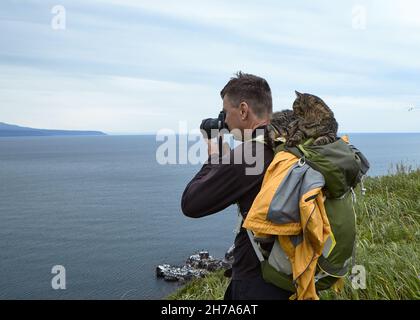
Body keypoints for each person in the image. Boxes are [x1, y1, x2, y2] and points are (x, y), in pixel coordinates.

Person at [181, 72, 293, 300]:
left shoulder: (251, 155)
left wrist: (213, 152)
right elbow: (240, 180)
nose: (224, 119)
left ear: (243, 110)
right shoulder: (288, 146)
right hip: (292, 274)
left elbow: (191, 203)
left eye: (226, 112)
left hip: (258, 282)